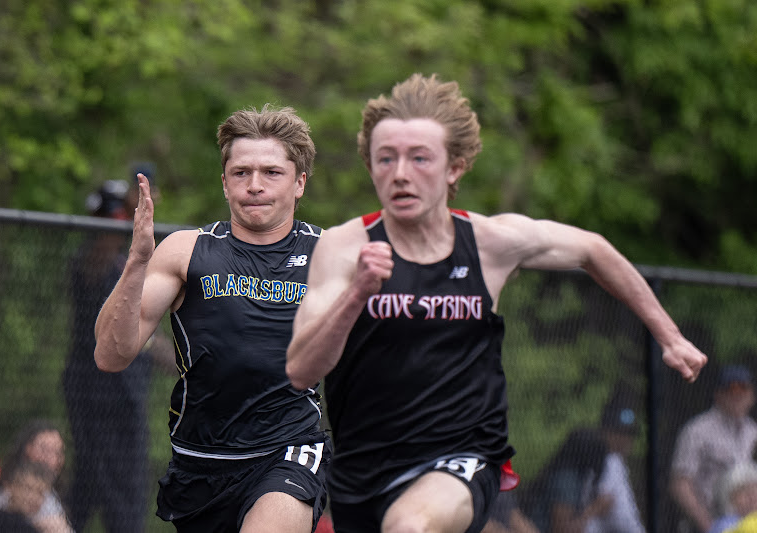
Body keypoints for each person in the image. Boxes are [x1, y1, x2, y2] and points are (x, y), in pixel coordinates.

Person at [285, 73, 709, 533]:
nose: (401, 173)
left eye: (420, 158)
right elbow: (301, 370)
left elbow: (592, 249)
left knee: (409, 527)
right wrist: (356, 296)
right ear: (370, 167)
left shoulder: (491, 242)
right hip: (362, 469)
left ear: (455, 168)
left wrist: (669, 336)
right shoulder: (344, 249)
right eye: (386, 159)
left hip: (464, 456)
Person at [93, 105, 330, 532]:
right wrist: (137, 261)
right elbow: (111, 355)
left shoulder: (331, 255)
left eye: (271, 173)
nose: (254, 185)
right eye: (241, 173)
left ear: (299, 183)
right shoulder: (187, 251)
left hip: (289, 450)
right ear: (224, 183)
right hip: (201, 463)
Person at [63, 178, 170, 533]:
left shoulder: (127, 269)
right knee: (96, 483)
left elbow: (148, 335)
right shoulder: (92, 264)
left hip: (127, 399)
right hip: (94, 396)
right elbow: (96, 261)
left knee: (123, 491)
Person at [670, 364, 757, 533]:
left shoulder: (753, 431)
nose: (737, 396)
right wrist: (708, 525)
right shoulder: (697, 431)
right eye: (731, 390)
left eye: (743, 389)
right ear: (718, 395)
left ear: (752, 396)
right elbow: (680, 484)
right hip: (711, 521)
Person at [0, 420, 72, 532]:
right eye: (45, 450)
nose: (52, 459)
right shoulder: (0, 500)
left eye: (57, 453)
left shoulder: (52, 498)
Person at [585, 391, 646, 533]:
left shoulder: (613, 461)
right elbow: (622, 518)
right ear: (606, 431)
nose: (626, 440)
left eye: (630, 434)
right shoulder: (610, 461)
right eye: (620, 433)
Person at [0, 461, 52, 533]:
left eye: (41, 493)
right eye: (28, 489)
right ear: (11, 487)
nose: (34, 497)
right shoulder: (9, 524)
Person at [708, 462, 757, 533]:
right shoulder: (724, 525)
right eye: (742, 490)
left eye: (754, 489)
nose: (751, 495)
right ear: (730, 499)